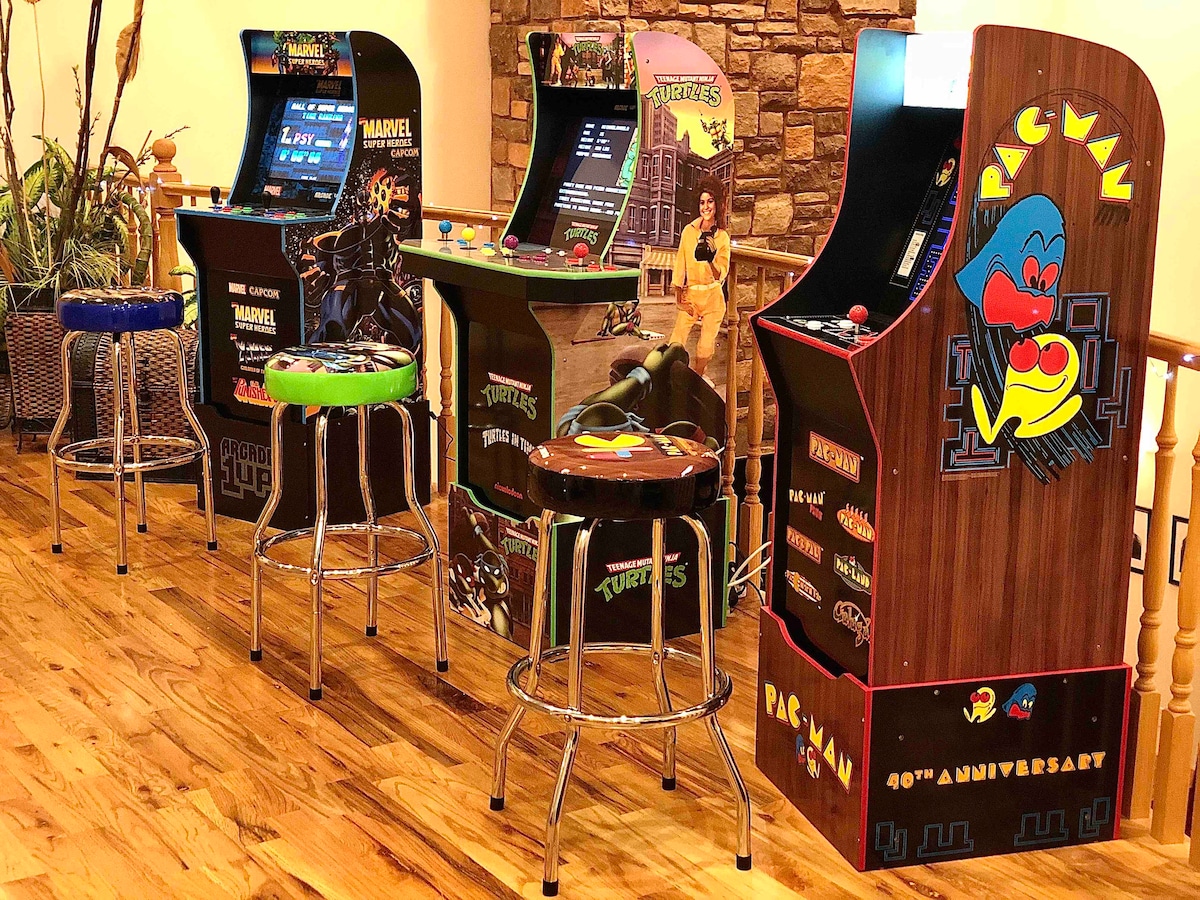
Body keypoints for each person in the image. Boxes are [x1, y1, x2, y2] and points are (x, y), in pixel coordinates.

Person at [668, 176, 731, 378]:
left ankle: (697, 379)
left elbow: (721, 273)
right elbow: (680, 265)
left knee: (704, 349)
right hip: (692, 296)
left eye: (710, 201)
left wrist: (710, 259)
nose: (706, 207)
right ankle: (671, 379)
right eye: (702, 202)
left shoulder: (722, 237)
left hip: (713, 298)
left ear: (717, 204)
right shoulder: (689, 232)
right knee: (675, 343)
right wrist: (679, 299)